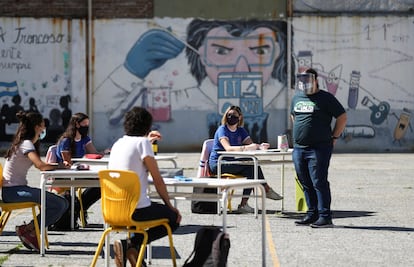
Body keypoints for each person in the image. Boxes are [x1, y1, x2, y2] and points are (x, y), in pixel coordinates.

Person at [108, 106, 181, 267]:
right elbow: (157, 179)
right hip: (136, 211)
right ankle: (131, 245)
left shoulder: (118, 144)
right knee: (173, 219)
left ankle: (133, 251)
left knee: (142, 214)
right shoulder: (142, 144)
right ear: (147, 126)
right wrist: (171, 206)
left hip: (113, 210)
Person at [1, 111, 69, 251]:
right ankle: (29, 230)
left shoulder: (23, 143)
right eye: (43, 126)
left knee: (59, 202)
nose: (44, 129)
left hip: (13, 191)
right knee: (60, 203)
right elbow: (40, 166)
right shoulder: (26, 144)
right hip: (14, 192)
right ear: (37, 127)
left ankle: (29, 229)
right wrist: (61, 165)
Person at [290, 68, 347, 228]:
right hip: (299, 148)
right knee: (305, 181)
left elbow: (342, 117)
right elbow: (293, 116)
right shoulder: (297, 98)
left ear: (315, 80)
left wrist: (334, 137)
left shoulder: (326, 98)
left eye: (307, 79)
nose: (304, 82)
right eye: (301, 79)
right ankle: (312, 213)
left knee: (318, 181)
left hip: (319, 148)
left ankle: (325, 216)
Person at [208, 105, 283, 214]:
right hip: (218, 163)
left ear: (240, 117)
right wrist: (246, 148)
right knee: (252, 165)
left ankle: (244, 204)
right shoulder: (222, 129)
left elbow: (250, 144)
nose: (231, 117)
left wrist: (260, 146)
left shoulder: (241, 130)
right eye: (229, 115)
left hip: (230, 162)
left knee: (252, 166)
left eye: (234, 115)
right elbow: (228, 148)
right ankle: (265, 188)